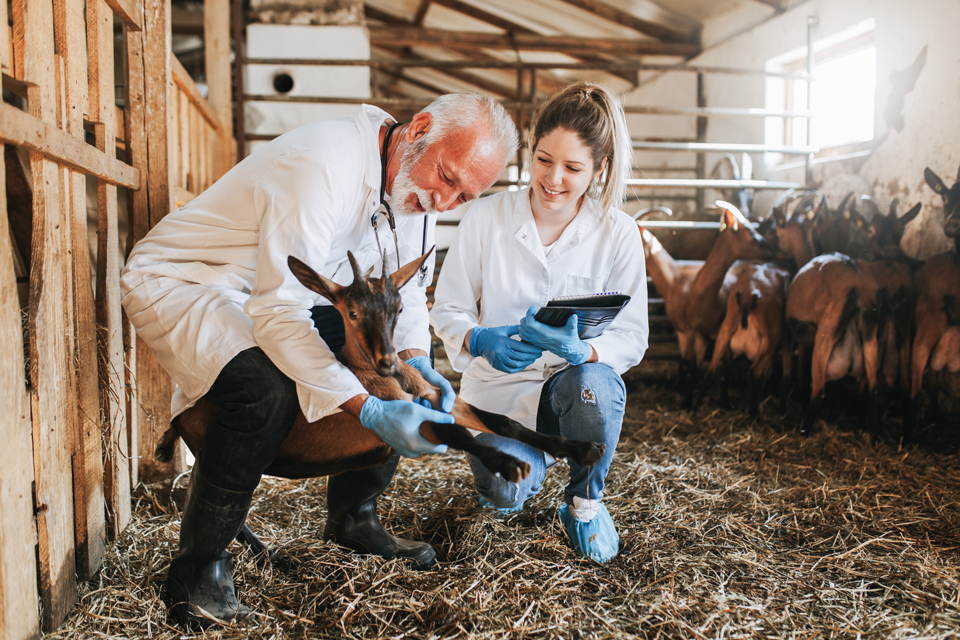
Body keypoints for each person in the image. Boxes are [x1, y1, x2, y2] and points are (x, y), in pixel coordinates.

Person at [121, 94, 518, 625]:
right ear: (419, 128)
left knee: (383, 361)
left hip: (267, 293)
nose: (445, 201)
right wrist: (366, 409)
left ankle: (354, 519)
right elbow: (279, 310)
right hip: (188, 281)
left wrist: (416, 365)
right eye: (447, 178)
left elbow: (402, 297)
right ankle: (199, 567)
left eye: (464, 195)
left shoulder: (416, 193)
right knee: (265, 391)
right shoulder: (321, 164)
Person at [430, 81, 648, 563]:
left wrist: (583, 351)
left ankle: (585, 505)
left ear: (599, 169)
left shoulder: (618, 233)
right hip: (497, 396)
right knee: (506, 493)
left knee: (592, 382)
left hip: (572, 394)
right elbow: (447, 307)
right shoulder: (486, 218)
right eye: (544, 160)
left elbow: (631, 335)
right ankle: (519, 472)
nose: (552, 178)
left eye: (573, 168)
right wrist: (479, 338)